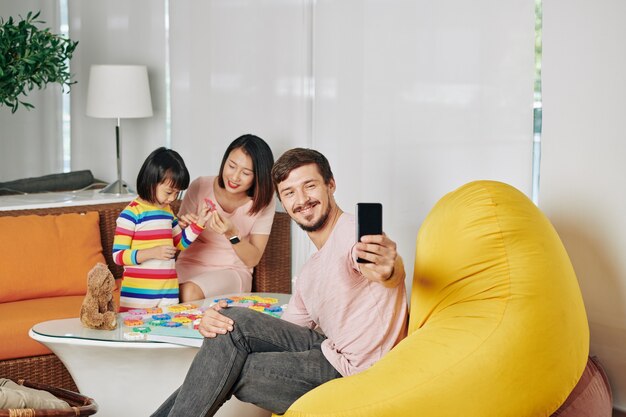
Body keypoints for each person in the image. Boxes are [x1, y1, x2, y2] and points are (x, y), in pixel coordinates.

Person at [151, 148, 408, 417]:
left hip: (355, 372)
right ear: (283, 203)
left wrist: (390, 269)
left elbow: (385, 270)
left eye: (309, 186)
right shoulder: (310, 272)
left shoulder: (352, 233)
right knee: (228, 326)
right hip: (327, 350)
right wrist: (217, 318)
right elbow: (278, 333)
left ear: (330, 185)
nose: (302, 200)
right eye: (289, 193)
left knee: (235, 367)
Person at [176, 134, 276, 302]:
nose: (235, 177)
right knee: (155, 291)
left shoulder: (263, 202)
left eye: (246, 173)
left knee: (189, 292)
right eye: (231, 166)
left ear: (258, 176)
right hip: (188, 263)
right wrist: (183, 226)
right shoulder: (200, 186)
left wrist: (232, 234)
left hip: (231, 271)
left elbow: (252, 259)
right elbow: (176, 240)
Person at [113, 147, 211, 312]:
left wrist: (199, 224)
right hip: (138, 295)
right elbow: (119, 256)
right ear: (151, 182)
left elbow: (180, 243)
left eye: (177, 193)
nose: (172, 198)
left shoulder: (167, 212)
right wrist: (153, 252)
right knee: (136, 334)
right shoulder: (131, 214)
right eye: (169, 192)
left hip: (168, 292)